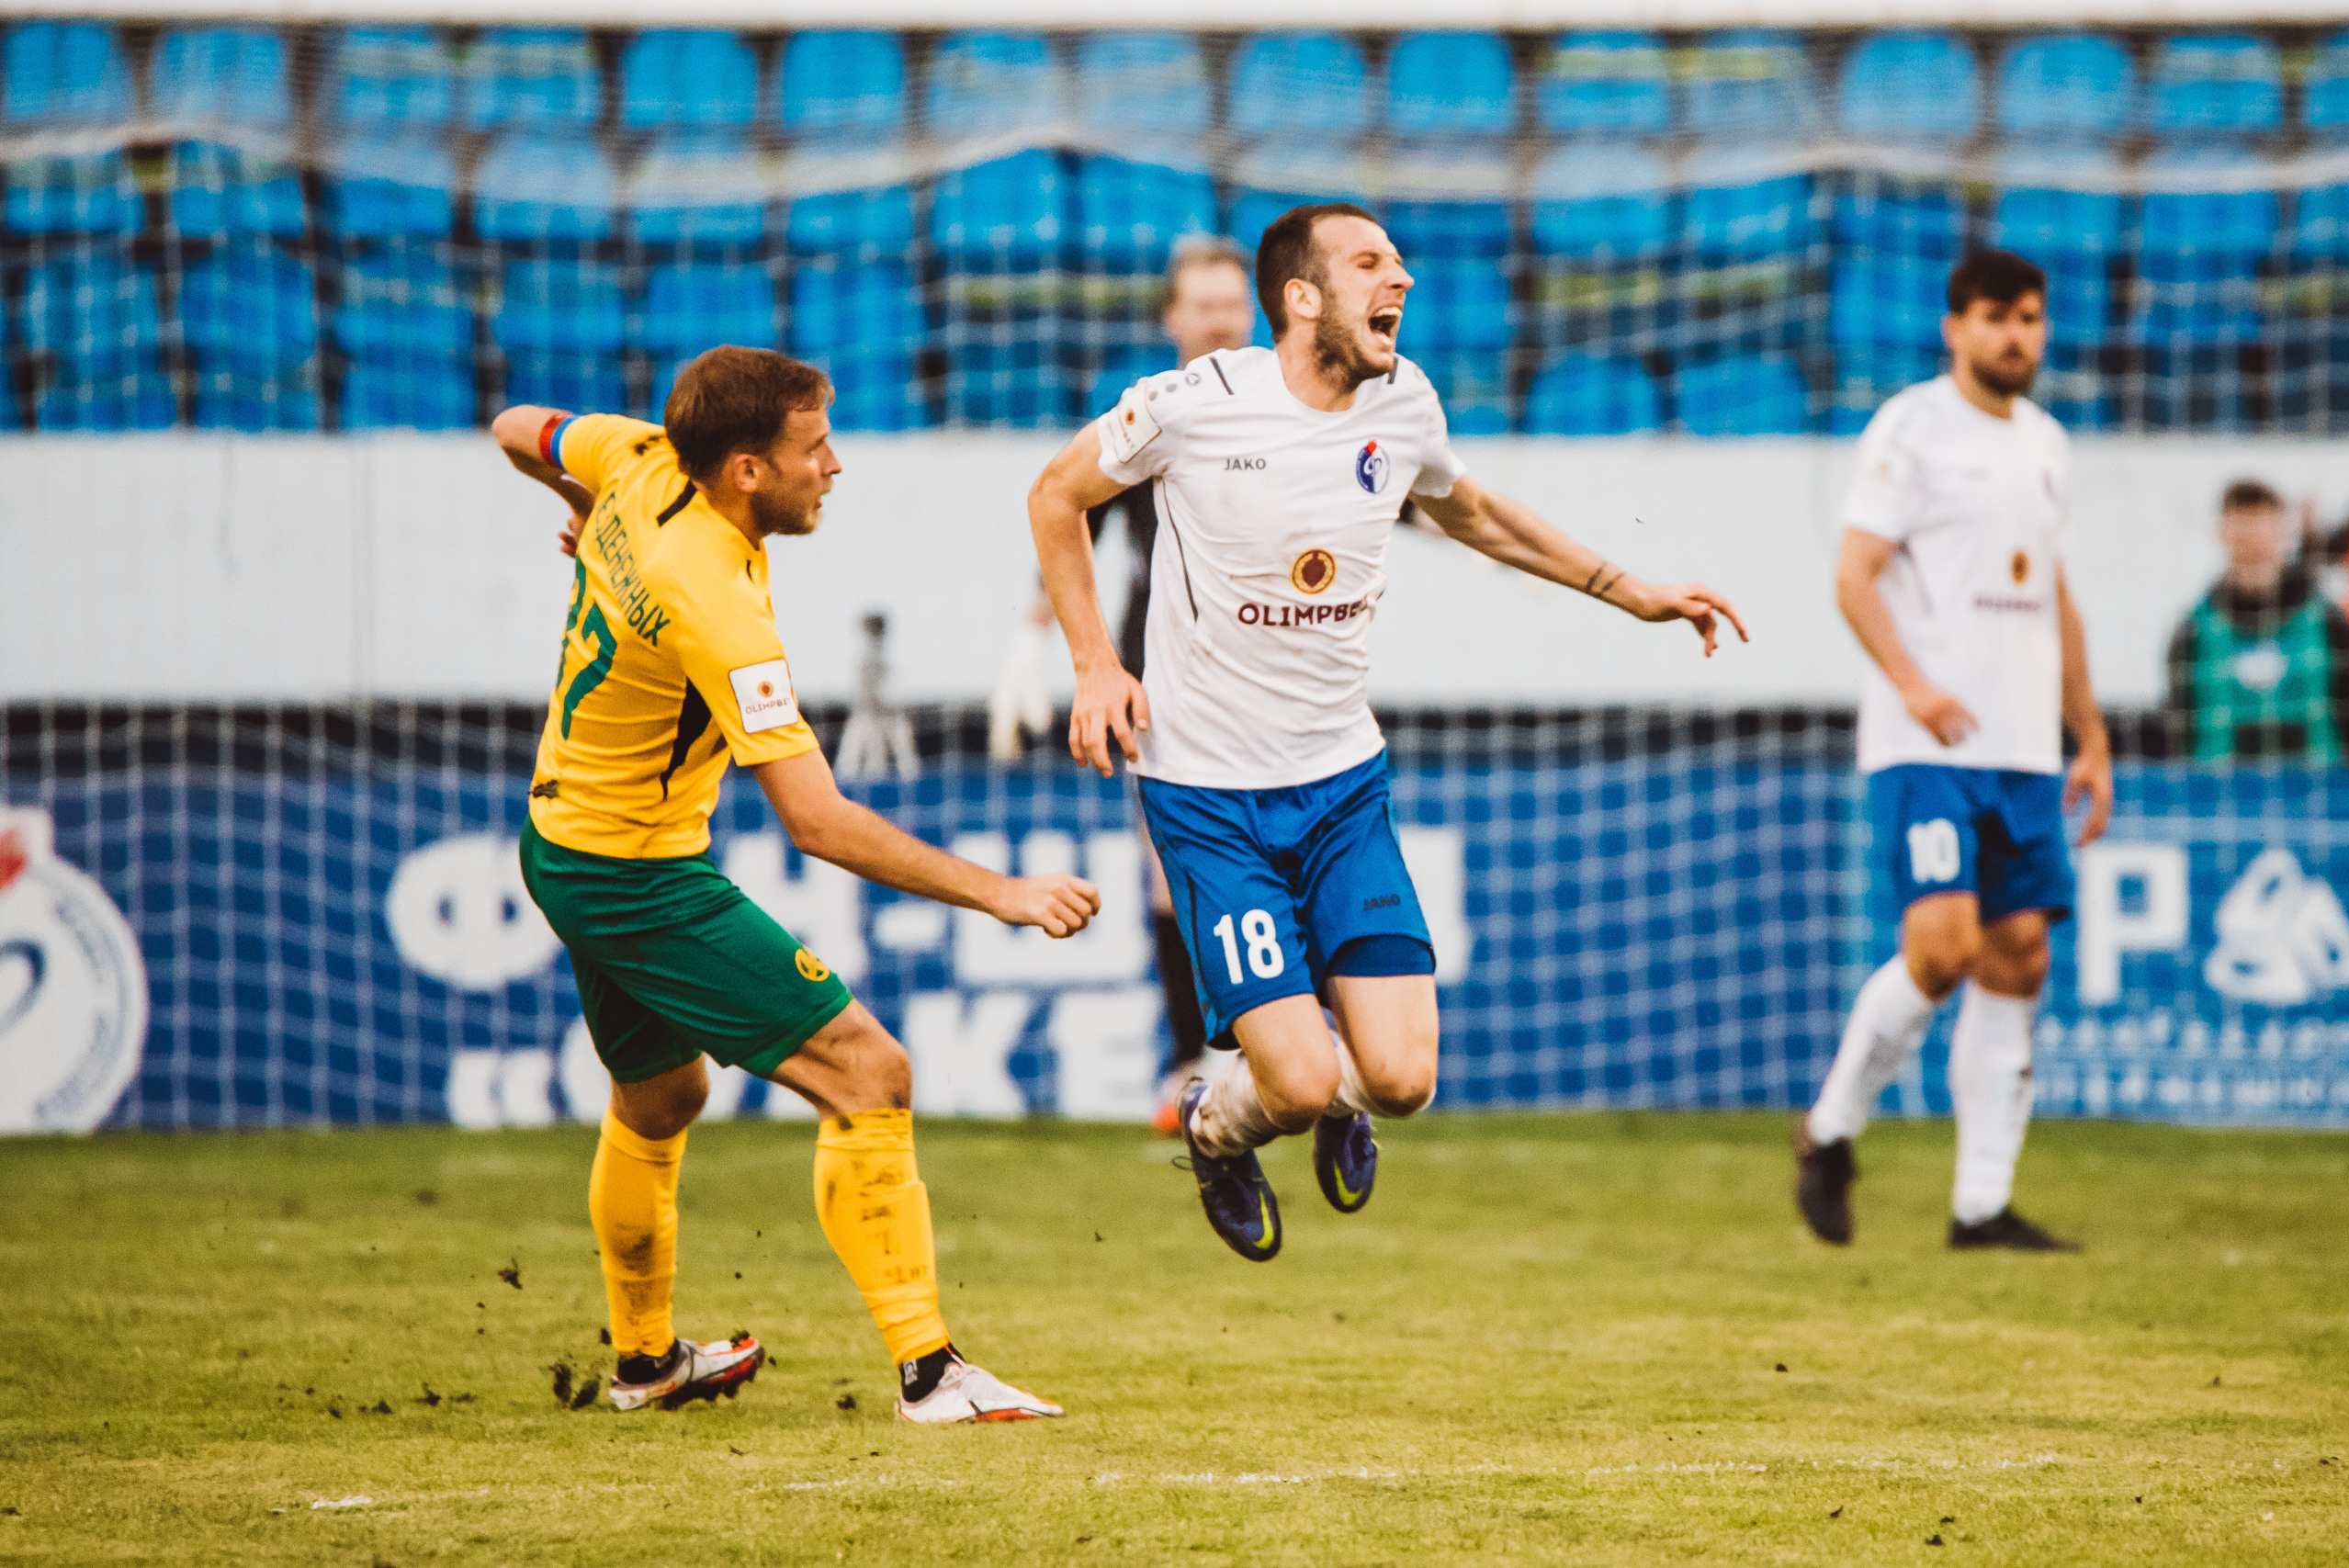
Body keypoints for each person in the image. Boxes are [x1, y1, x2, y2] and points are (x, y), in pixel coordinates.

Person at [1024, 204, 1746, 1262]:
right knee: (1300, 1078)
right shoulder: (1193, 404)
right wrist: (1094, 664)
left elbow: (1474, 513)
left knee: (1402, 1081)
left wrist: (1630, 591)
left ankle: (1314, 1102)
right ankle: (1215, 1130)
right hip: (1208, 796)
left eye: (1400, 263)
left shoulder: (1402, 404)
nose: (1398, 279)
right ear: (1301, 298)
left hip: (1340, 785)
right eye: (1370, 263)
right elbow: (1054, 496)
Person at [489, 346, 1096, 1420]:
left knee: (663, 1094)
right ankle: (930, 1373)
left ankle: (643, 1364)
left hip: (566, 842)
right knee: (869, 1070)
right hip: (636, 872)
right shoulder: (711, 596)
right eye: (814, 447)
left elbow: (514, 422)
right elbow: (818, 822)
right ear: (747, 472)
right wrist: (999, 892)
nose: (837, 465)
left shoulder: (631, 456)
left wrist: (588, 513)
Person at [1794, 250, 2114, 1254]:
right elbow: (1854, 577)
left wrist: (2091, 736)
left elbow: (2053, 595)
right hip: (1924, 742)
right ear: (1954, 327)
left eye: (2029, 317)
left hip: (2022, 749)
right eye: (1994, 318)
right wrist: (1915, 686)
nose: (2014, 335)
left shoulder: (2048, 444)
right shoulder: (1911, 428)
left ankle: (1981, 1205)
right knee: (1942, 947)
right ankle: (1831, 1130)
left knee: (2021, 956)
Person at [990, 237, 1255, 1133]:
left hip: (1275, 675)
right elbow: (1074, 521)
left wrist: (1476, 539)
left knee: (1287, 858)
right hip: (1164, 679)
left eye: (1232, 302)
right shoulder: (1151, 416)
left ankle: (1297, 1048)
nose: (1220, 317)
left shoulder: (1286, 406)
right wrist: (1032, 655)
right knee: (1169, 874)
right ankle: (1197, 1061)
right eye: (1204, 304)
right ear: (1173, 318)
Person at [2163, 479, 2349, 761]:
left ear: (2283, 533)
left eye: (2261, 528)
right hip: (2219, 797)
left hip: (2319, 795)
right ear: (2222, 534)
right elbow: (2179, 732)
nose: (2253, 542)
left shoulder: (2328, 623)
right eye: (2242, 530)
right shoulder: (2192, 632)